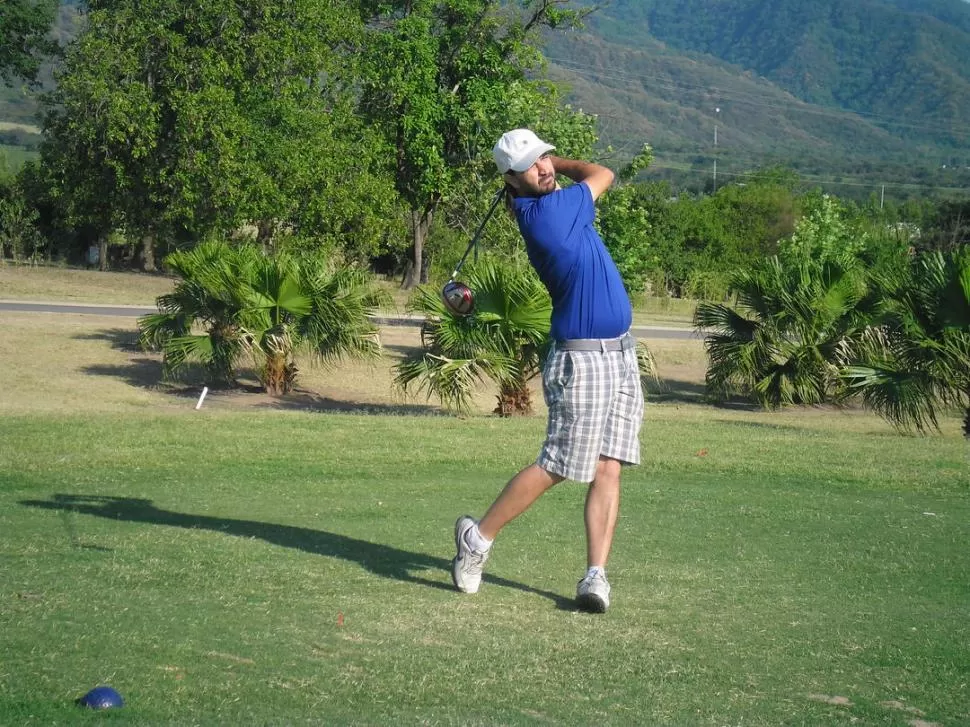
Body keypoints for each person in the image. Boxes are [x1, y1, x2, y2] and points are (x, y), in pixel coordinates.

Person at [451, 128, 644, 613]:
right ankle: (477, 538)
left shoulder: (548, 203)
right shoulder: (551, 215)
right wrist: (563, 160)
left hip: (619, 354)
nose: (545, 169)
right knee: (559, 463)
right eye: (533, 166)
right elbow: (604, 173)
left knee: (609, 465)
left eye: (544, 158)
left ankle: (595, 577)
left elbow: (578, 180)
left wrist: (545, 164)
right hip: (581, 360)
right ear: (512, 182)